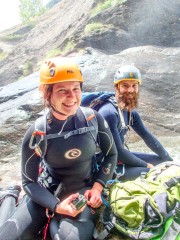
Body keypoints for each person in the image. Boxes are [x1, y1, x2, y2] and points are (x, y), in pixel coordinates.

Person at [0, 57, 117, 240]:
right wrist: (56, 205)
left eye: (76, 89)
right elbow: (29, 182)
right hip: (45, 193)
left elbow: (111, 154)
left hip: (82, 191)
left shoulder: (93, 120)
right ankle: (9, 195)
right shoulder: (38, 132)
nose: (71, 96)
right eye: (62, 90)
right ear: (47, 94)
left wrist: (97, 187)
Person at [95, 64, 173, 181]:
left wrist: (169, 159)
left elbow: (147, 137)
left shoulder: (130, 112)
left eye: (134, 86)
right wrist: (146, 165)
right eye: (125, 85)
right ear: (117, 87)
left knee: (164, 163)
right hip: (104, 164)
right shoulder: (109, 113)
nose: (130, 90)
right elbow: (118, 152)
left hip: (119, 158)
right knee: (152, 172)